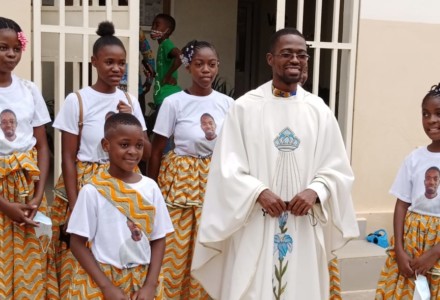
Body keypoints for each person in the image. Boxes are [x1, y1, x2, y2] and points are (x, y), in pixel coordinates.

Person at [191, 28, 359, 300]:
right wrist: (258, 192)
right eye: (286, 54)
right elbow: (226, 168)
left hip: (303, 224)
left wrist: (316, 190)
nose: (295, 60)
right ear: (270, 59)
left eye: (301, 54)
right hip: (256, 221)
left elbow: (338, 169)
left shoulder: (318, 111)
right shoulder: (245, 108)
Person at [52, 20, 151, 298]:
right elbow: (68, 158)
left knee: (116, 249)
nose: (116, 69)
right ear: (94, 61)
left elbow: (147, 150)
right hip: (87, 186)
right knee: (82, 254)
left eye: (121, 63)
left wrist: (130, 116)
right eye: (109, 62)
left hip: (122, 187)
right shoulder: (78, 100)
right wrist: (75, 204)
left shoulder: (129, 100)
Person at [148, 40, 234, 299]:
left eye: (211, 64)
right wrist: (150, 190)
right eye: (199, 64)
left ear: (217, 66)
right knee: (175, 247)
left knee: (207, 246)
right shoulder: (174, 103)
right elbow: (156, 149)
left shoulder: (228, 104)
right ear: (188, 67)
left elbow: (233, 148)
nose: (205, 70)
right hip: (180, 181)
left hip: (214, 180)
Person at [67, 113, 173, 299]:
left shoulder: (151, 188)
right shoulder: (93, 190)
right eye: (124, 145)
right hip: (102, 279)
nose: (133, 151)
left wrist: (150, 285)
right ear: (106, 145)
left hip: (143, 279)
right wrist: (107, 287)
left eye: (139, 145)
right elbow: (77, 243)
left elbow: (159, 238)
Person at [0, 16, 58, 298]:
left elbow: (42, 146)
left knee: (30, 265)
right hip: (0, 193)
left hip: (27, 189)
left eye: (15, 48)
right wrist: (3, 204)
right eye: (2, 47)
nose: (11, 54)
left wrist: (37, 197)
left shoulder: (29, 90)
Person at [376, 83, 440, 298]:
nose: (431, 120)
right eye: (425, 114)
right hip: (412, 241)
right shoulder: (414, 158)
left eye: (438, 114)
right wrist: (400, 251)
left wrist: (435, 252)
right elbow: (402, 203)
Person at [148, 14, 182, 128]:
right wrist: (155, 74)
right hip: (163, 97)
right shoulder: (162, 46)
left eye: (157, 25)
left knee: (163, 135)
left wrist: (168, 76)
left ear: (168, 31)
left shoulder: (166, 44)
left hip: (166, 96)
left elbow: (181, 57)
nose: (153, 27)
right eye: (153, 24)